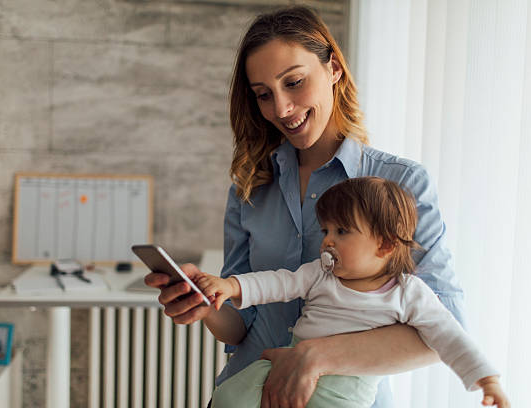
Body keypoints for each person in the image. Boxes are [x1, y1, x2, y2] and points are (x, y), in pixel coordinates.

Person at [145, 6, 467, 407]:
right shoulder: (250, 187)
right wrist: (205, 303)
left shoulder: (402, 183)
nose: (281, 109)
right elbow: (239, 327)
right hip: (248, 393)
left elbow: (445, 331)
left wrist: (313, 357)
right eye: (264, 95)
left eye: (294, 82)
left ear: (333, 68)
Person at [195, 177, 509, 408]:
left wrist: (487, 380)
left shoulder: (408, 293)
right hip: (286, 363)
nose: (327, 241)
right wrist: (230, 286)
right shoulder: (321, 273)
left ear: (385, 244)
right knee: (228, 397)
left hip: (347, 387)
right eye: (326, 230)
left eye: (342, 231)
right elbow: (277, 282)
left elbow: (451, 336)